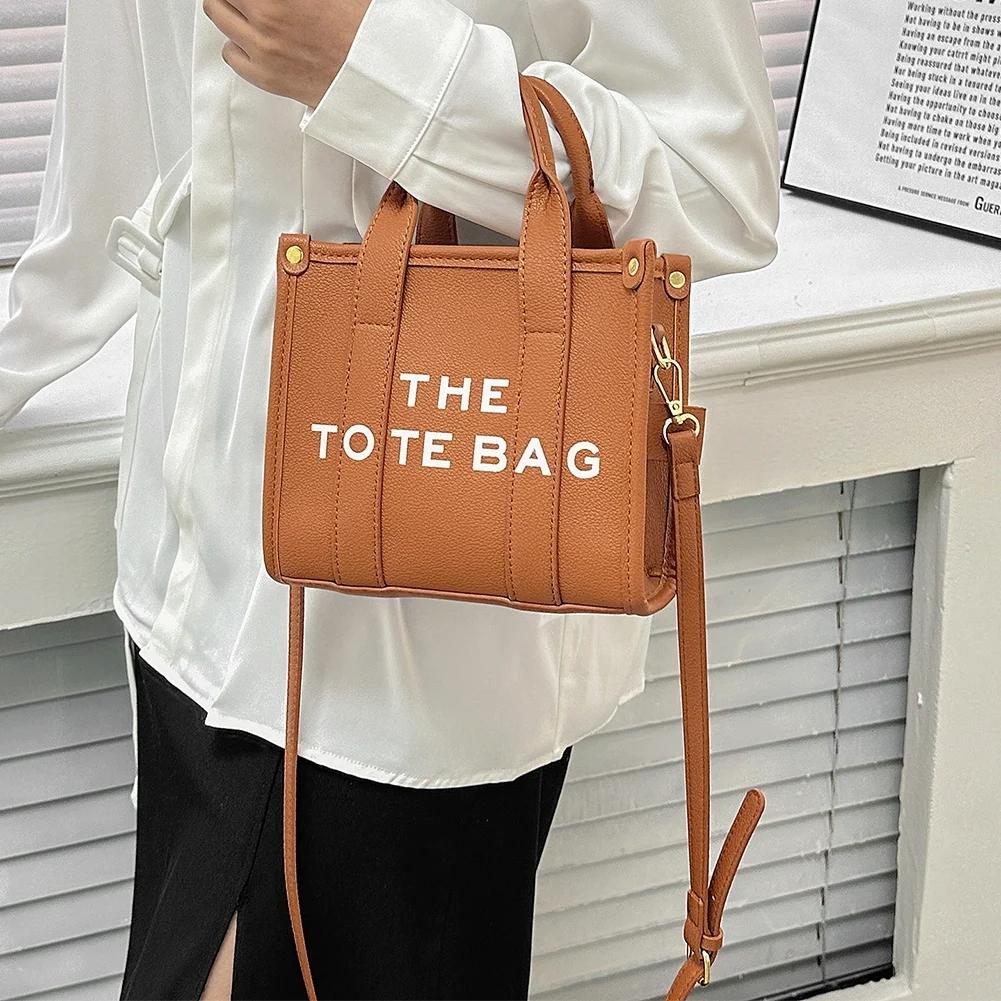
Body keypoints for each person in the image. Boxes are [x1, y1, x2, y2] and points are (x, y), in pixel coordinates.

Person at [0, 1, 780, 998]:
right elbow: (121, 152)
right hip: (189, 580)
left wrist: (376, 66)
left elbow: (718, 184)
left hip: (419, 639)